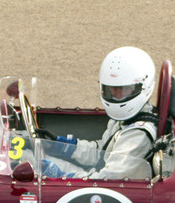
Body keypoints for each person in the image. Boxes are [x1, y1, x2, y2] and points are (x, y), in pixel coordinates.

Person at [41, 46, 159, 180]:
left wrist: (62, 176)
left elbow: (108, 179)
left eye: (124, 90)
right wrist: (62, 145)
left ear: (143, 87)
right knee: (33, 157)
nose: (116, 96)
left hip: (103, 185)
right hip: (96, 176)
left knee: (35, 165)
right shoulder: (123, 118)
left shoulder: (138, 134)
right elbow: (100, 153)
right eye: (111, 89)